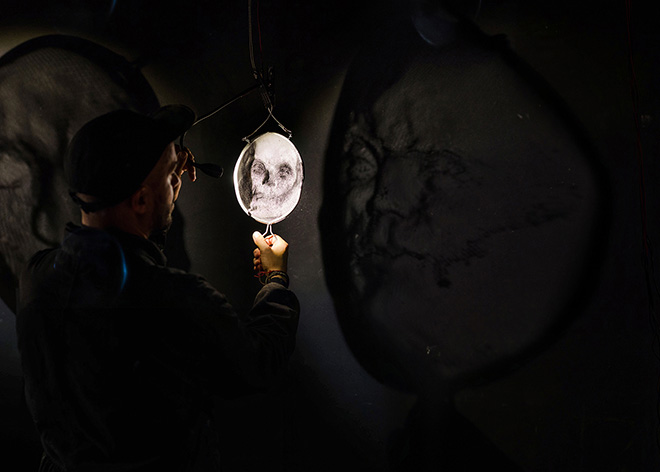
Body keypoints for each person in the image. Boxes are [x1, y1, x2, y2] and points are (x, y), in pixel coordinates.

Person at [16, 105, 300, 471]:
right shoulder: (177, 300)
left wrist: (159, 186)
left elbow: (124, 263)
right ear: (140, 200)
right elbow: (258, 364)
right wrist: (275, 281)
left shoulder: (37, 277)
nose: (178, 179)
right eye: (171, 177)